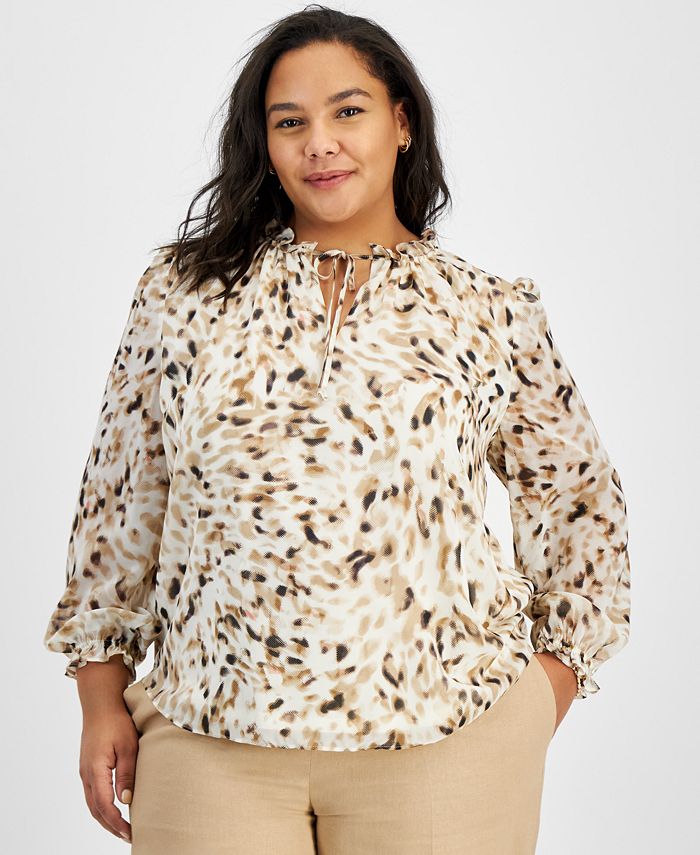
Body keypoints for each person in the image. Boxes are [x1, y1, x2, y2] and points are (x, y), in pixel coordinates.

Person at [43, 5, 631, 854]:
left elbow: (580, 503)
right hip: (209, 734)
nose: (319, 143)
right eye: (290, 122)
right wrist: (101, 696)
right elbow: (118, 501)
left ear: (401, 122)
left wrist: (547, 690)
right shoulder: (181, 296)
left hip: (448, 743)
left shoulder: (485, 310)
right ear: (265, 143)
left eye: (347, 111)